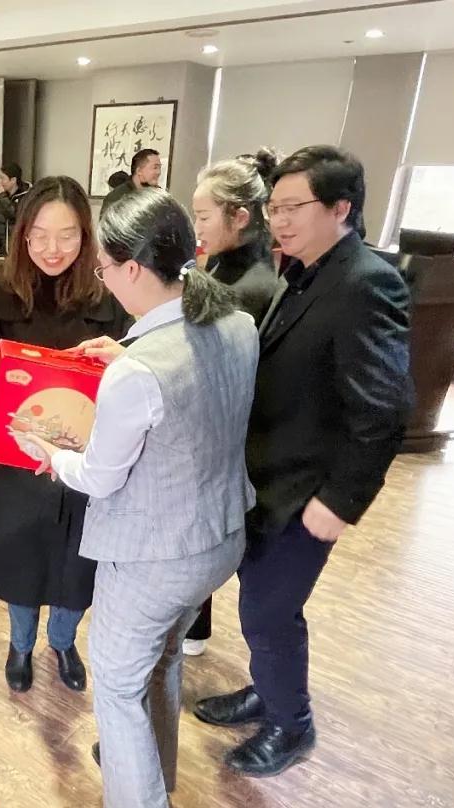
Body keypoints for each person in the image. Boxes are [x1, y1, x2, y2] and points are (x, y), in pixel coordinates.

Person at [25, 188, 259, 808]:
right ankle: (157, 774)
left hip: (154, 558)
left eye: (103, 267)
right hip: (220, 538)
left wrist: (52, 455)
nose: (102, 279)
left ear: (132, 268)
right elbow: (193, 393)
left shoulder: (139, 372)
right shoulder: (238, 326)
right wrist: (127, 355)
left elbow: (100, 476)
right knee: (162, 659)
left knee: (119, 689)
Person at [194, 145, 413, 777]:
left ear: (341, 208)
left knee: (270, 611)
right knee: (259, 602)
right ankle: (268, 691)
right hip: (269, 479)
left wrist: (340, 502)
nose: (280, 220)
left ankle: (292, 725)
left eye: (295, 207)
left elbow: (385, 409)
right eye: (275, 207)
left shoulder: (367, 282)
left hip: (307, 493)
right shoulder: (306, 270)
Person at [0, 176, 131, 693]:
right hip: (17, 460)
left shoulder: (106, 295)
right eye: (40, 235)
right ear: (23, 235)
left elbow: (128, 381)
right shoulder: (2, 293)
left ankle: (63, 640)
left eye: (67, 235)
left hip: (84, 467)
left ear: (86, 237)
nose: (53, 249)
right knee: (21, 561)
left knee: (78, 566)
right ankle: (21, 643)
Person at [184, 147, 282, 656]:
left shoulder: (251, 287)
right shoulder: (225, 267)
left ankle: (194, 628)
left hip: (231, 439)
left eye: (203, 216)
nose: (197, 226)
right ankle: (195, 628)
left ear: (240, 217)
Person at [0, 162, 32, 257]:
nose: (0, 182)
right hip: (3, 253)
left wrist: (1, 196)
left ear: (13, 180)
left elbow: (15, 215)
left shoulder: (27, 197)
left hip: (21, 253)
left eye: (3, 178)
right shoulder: (1, 199)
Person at [100, 148, 162, 213]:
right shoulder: (116, 198)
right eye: (155, 167)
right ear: (139, 171)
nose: (158, 172)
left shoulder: (160, 196)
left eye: (159, 168)